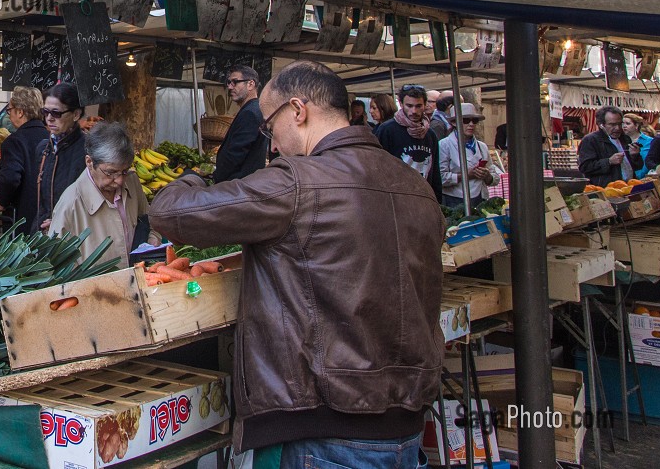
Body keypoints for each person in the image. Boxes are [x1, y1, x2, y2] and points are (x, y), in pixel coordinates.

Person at [149, 61, 442, 465]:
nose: (271, 145)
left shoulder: (297, 182)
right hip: (406, 427)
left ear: (298, 110)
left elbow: (172, 214)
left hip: (323, 431)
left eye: (270, 127)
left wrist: (197, 178)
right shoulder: (417, 187)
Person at [49, 122, 151, 268]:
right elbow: (55, 263)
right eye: (110, 172)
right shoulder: (70, 203)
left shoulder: (132, 181)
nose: (120, 180)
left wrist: (153, 240)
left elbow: (149, 220)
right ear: (89, 162)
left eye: (124, 171)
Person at [31, 82, 89, 233]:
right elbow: (42, 200)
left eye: (56, 113)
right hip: (43, 235)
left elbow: (90, 201)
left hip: (75, 235)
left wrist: (61, 221)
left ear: (76, 114)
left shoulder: (88, 150)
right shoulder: (43, 149)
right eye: (45, 112)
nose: (49, 118)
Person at [0, 86, 50, 235]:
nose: (9, 115)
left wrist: (1, 201)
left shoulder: (15, 142)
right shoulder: (51, 138)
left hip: (23, 221)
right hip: (49, 220)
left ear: (20, 112)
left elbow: (10, 178)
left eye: (9, 110)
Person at [374, 84, 443, 201]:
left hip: (424, 199)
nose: (414, 111)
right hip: (397, 200)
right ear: (400, 104)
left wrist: (437, 202)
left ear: (425, 105)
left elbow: (435, 173)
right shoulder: (387, 130)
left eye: (418, 106)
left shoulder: (430, 134)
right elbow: (377, 168)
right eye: (409, 106)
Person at [212, 66, 269, 184]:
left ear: (251, 84)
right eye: (228, 82)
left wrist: (218, 177)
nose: (229, 86)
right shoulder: (254, 109)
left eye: (235, 82)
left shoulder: (250, 113)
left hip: (238, 185)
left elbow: (235, 154)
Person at [437, 103, 496, 208]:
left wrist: (487, 175)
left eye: (474, 120)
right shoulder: (444, 145)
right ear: (454, 122)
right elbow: (440, 178)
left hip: (480, 199)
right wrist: (466, 175)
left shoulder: (482, 147)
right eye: (465, 120)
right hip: (453, 200)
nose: (471, 124)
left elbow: (494, 178)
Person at [579, 105, 641, 186]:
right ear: (601, 125)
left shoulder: (625, 138)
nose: (618, 128)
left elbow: (637, 166)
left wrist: (635, 156)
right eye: (612, 125)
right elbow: (585, 167)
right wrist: (609, 161)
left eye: (619, 124)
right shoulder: (591, 140)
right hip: (606, 190)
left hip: (628, 187)